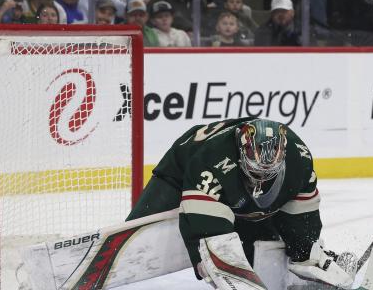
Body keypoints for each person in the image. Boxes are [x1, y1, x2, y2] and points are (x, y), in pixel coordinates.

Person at [125, 117, 353, 288]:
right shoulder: (212, 159)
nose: (262, 178)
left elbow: (303, 215)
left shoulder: (298, 159)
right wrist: (213, 262)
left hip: (238, 190)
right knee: (136, 232)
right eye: (256, 171)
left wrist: (305, 253)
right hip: (181, 169)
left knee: (266, 246)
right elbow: (208, 234)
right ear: (242, 152)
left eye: (269, 173)